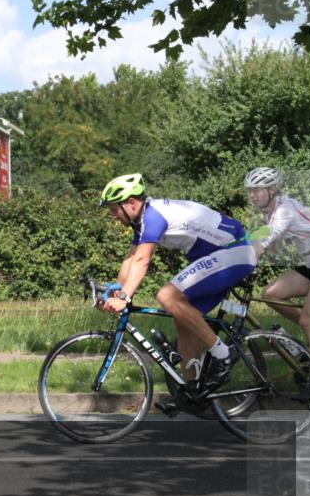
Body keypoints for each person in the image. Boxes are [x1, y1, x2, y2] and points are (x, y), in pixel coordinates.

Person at [96, 174, 257, 413]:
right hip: (218, 256)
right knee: (184, 320)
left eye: (114, 209)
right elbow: (131, 259)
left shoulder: (153, 217)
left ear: (131, 203)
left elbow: (142, 261)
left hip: (233, 251)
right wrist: (114, 292)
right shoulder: (143, 220)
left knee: (167, 296)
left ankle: (223, 354)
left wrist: (123, 298)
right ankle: (192, 392)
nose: (112, 215)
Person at [244, 167, 310, 349]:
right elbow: (274, 248)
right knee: (272, 294)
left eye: (257, 190)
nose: (252, 195)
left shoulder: (285, 210)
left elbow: (266, 241)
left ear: (272, 189)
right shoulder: (270, 211)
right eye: (249, 190)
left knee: (309, 320)